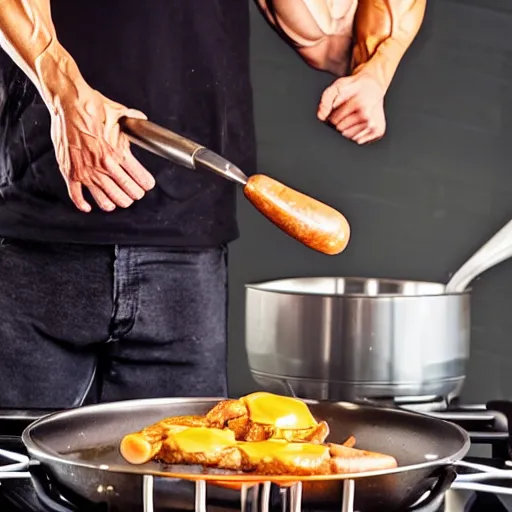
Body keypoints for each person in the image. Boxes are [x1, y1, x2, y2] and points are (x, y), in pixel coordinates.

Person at [0, 0, 425, 410]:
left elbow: (332, 38)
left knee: (180, 478)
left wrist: (376, 69)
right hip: (33, 236)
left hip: (188, 253)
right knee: (14, 477)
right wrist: (65, 95)